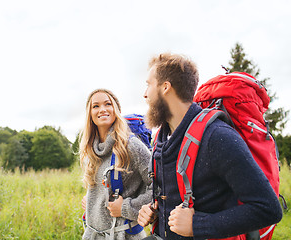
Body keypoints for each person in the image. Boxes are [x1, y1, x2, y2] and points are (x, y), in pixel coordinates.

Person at [137, 53, 283, 239]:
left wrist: (198, 224)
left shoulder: (217, 137)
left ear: (165, 87)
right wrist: (154, 211)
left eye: (149, 84)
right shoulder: (162, 139)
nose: (145, 93)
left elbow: (268, 209)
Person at [80, 88, 152, 240]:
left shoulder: (131, 146)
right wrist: (92, 201)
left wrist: (127, 207)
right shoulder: (91, 151)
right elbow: (101, 188)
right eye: (96, 106)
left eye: (108, 104)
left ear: (116, 109)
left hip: (124, 235)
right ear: (90, 113)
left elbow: (160, 187)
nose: (103, 109)